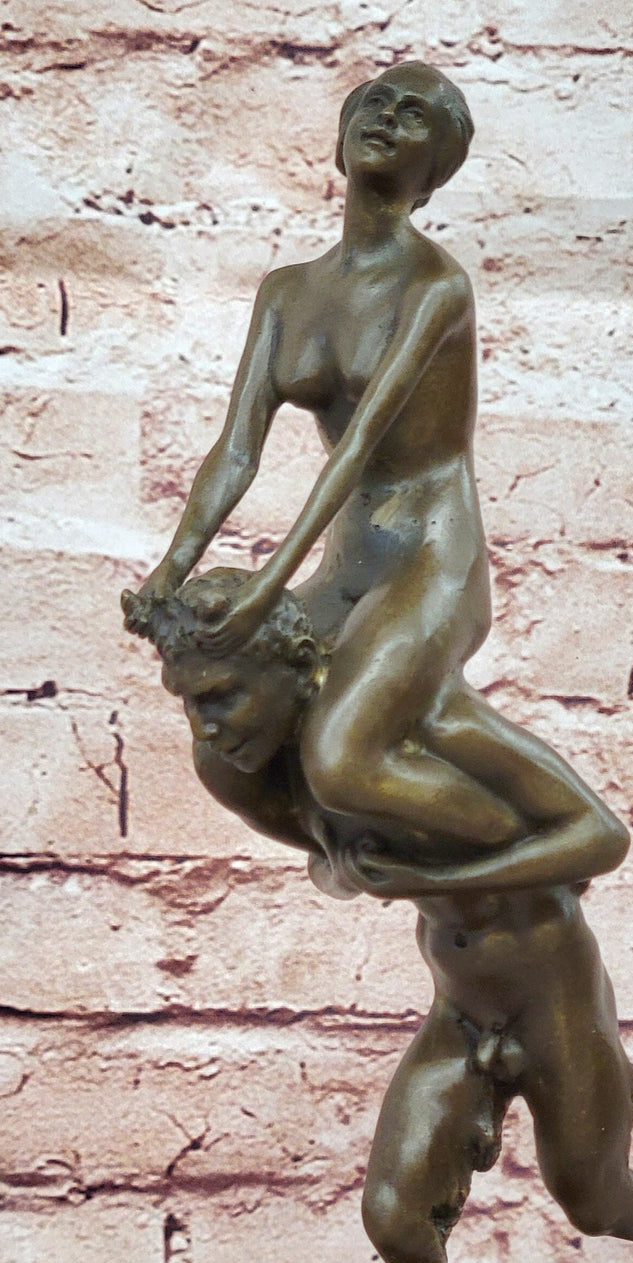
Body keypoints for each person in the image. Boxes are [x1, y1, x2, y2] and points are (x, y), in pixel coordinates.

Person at [130, 571, 633, 1263]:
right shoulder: (270, 774)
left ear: (294, 669)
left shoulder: (436, 725)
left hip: (555, 1007)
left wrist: (435, 873)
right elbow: (332, 857)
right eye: (189, 702)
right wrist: (355, 864)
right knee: (394, 1214)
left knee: (597, 1200)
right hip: (462, 1013)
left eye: (223, 696)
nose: (206, 724)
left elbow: (601, 837)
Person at [124, 61, 530, 857]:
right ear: (342, 141)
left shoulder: (435, 286)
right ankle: (358, 850)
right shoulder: (286, 292)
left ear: (434, 173)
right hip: (347, 567)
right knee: (225, 746)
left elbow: (360, 446)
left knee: (341, 757)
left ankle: (513, 848)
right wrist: (171, 567)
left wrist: (269, 583)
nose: (387, 117)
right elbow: (237, 450)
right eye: (374, 102)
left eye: (414, 115)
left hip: (428, 564)